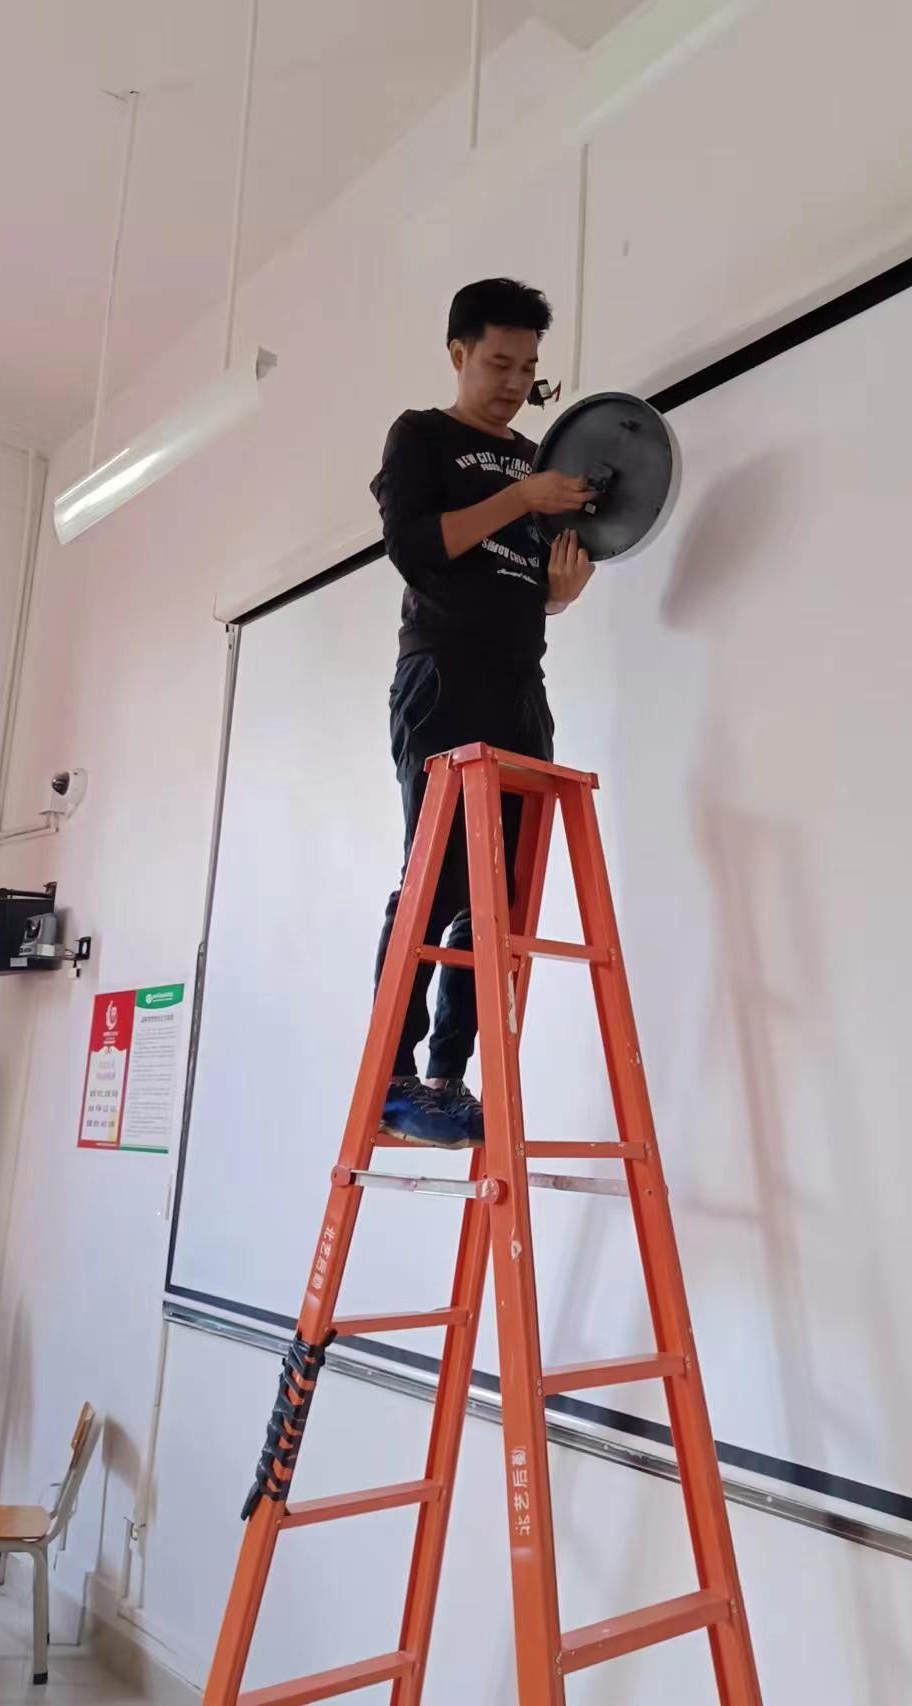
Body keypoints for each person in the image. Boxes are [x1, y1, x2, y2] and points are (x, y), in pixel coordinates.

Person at [370, 278, 595, 1148]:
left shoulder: (539, 458)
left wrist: (562, 592)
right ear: (459, 352)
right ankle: (393, 1079)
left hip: (519, 684)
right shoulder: (422, 436)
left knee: (499, 896)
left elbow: (526, 584)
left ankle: (447, 1080)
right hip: (442, 674)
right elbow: (416, 549)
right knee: (436, 879)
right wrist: (521, 499)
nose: (514, 382)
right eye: (499, 363)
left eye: (528, 368)